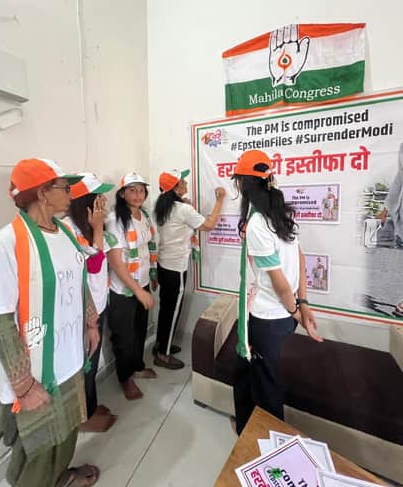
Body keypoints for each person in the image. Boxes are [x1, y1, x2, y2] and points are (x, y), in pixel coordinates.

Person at [0, 158, 100, 487]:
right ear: (42, 193)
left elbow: (79, 278)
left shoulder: (64, 231)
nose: (71, 193)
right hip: (36, 373)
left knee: (67, 432)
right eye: (65, 187)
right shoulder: (7, 243)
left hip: (69, 359)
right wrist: (24, 385)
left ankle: (61, 476)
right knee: (38, 447)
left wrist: (91, 322)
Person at [231, 150, 323, 435]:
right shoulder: (281, 214)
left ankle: (271, 443)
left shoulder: (259, 224)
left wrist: (297, 311)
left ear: (241, 184)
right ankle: (245, 426)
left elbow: (280, 282)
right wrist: (302, 304)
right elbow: (301, 259)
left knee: (267, 387)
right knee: (243, 369)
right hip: (276, 314)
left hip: (269, 319)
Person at [153, 168, 226, 369]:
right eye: (182, 181)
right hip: (176, 268)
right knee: (172, 310)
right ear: (175, 188)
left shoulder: (162, 206)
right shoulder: (182, 209)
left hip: (164, 264)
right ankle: (163, 354)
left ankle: (161, 344)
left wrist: (184, 203)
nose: (186, 183)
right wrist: (220, 200)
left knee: (166, 308)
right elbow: (209, 225)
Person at [64, 172, 117, 433]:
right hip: (83, 310)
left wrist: (97, 228)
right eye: (99, 198)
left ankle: (91, 407)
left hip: (97, 303)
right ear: (85, 202)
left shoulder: (87, 226)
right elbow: (94, 265)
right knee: (85, 364)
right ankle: (83, 418)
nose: (104, 202)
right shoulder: (69, 229)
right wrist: (97, 228)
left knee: (91, 362)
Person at [105, 173, 158, 401]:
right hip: (125, 290)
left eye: (141, 190)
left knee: (139, 331)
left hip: (142, 284)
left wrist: (152, 274)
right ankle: (125, 378)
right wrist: (137, 291)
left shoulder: (144, 215)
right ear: (122, 193)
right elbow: (116, 262)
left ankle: (137, 367)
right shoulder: (115, 220)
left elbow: (148, 247)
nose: (138, 195)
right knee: (124, 338)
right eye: (132, 190)